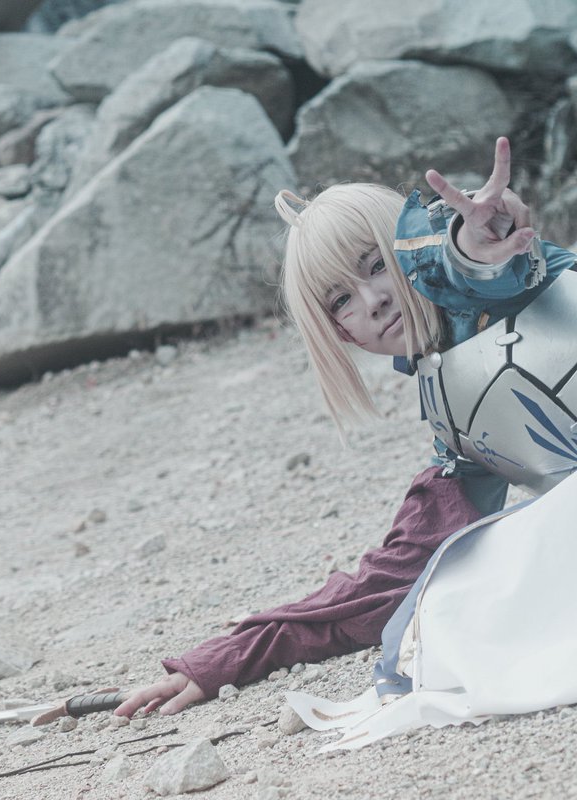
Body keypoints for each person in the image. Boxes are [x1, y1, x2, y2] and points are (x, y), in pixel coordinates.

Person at [115, 137, 576, 719]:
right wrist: (226, 659)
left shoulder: (526, 277)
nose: (374, 299)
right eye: (340, 300)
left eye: (378, 264)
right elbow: (392, 578)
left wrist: (475, 243)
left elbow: (487, 271)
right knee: (447, 598)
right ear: (339, 333)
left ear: (418, 245)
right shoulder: (453, 416)